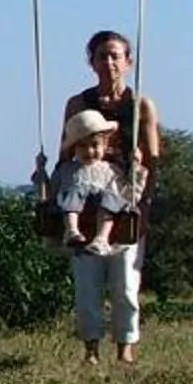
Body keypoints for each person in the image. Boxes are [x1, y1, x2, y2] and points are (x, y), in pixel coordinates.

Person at [53, 31, 162, 362]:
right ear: (92, 62)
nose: (109, 63)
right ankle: (90, 348)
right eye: (102, 56)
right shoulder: (78, 105)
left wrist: (145, 202)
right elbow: (65, 150)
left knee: (126, 282)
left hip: (124, 200)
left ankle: (125, 347)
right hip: (85, 201)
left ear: (128, 62)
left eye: (115, 56)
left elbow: (154, 158)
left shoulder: (140, 105)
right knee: (87, 285)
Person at [49, 109, 137, 363]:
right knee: (87, 295)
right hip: (81, 241)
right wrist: (40, 175)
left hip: (112, 239)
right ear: (74, 149)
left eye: (95, 145)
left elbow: (132, 196)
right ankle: (91, 349)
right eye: (83, 146)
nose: (90, 151)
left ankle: (125, 347)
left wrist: (136, 169)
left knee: (124, 291)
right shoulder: (67, 171)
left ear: (105, 144)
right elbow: (51, 193)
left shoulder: (112, 170)